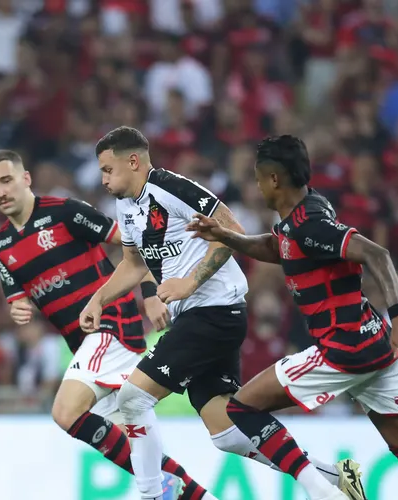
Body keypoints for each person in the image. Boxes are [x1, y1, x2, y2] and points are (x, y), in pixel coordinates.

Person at [187, 134, 398, 500]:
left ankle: (326, 490)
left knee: (242, 407)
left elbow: (377, 254)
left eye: (259, 178)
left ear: (274, 179)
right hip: (375, 345)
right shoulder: (306, 213)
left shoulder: (311, 226)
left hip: (343, 349)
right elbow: (277, 246)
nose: (257, 186)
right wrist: (226, 236)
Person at [80, 127, 361, 500]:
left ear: (133, 161)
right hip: (197, 316)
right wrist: (99, 299)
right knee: (226, 430)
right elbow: (132, 264)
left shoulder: (170, 188)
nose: (103, 179)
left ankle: (151, 494)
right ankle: (335, 478)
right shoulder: (127, 205)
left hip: (213, 311)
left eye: (107, 169)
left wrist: (189, 283)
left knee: (132, 398)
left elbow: (232, 231)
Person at [0, 150, 212, 500]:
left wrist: (149, 292)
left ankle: (156, 489)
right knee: (139, 452)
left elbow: (135, 245)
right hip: (84, 343)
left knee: (64, 412)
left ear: (25, 179)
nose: (0, 191)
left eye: (6, 180)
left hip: (112, 324)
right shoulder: (1, 246)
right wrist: (18, 308)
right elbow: (16, 296)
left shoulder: (65, 212)